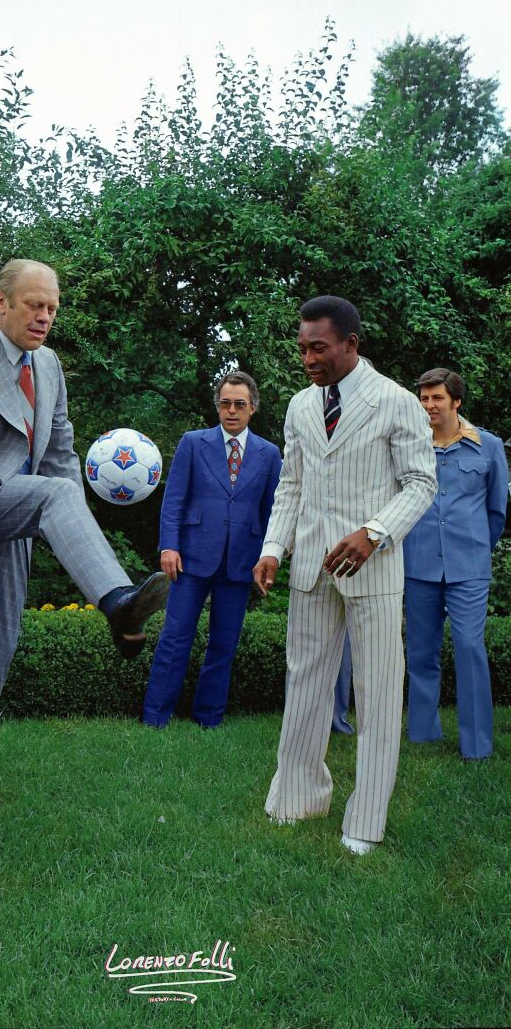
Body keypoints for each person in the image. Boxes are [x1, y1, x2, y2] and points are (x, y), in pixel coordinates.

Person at [0, 259, 169, 799]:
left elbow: (62, 457)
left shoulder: (49, 368)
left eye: (52, 308)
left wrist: (72, 541)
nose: (44, 317)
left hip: (17, 509)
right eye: (34, 305)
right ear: (1, 302)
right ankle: (119, 605)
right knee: (59, 493)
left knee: (1, 635)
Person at [253, 296, 437, 854]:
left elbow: (422, 484)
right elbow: (292, 485)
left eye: (319, 347)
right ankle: (297, 799)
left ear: (351, 344)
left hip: (374, 570)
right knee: (304, 686)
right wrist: (273, 548)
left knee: (377, 693)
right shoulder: (300, 406)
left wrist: (374, 532)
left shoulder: (397, 402)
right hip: (310, 567)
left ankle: (364, 823)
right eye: (303, 347)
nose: (308, 357)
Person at [142, 371, 282, 728]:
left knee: (224, 642)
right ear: (217, 406)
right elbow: (173, 500)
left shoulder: (269, 455)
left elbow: (272, 512)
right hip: (190, 557)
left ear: (253, 408)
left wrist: (269, 555)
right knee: (175, 636)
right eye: (225, 403)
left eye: (239, 404)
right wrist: (169, 546)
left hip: (241, 561)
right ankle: (155, 716)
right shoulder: (193, 443)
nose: (231, 411)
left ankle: (209, 717)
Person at [403, 368, 508, 760]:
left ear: (456, 401)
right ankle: (423, 735)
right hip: (419, 565)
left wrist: (477, 548)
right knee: (421, 652)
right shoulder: (410, 445)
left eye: (437, 398)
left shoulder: (489, 446)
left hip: (469, 568)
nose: (429, 405)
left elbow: (497, 511)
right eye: (424, 398)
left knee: (469, 647)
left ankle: (477, 745)